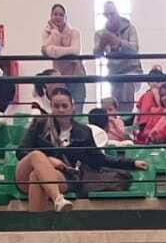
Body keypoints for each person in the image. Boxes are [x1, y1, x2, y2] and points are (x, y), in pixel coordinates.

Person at [16, 87, 150, 212]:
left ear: (72, 107)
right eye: (56, 106)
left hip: (62, 174)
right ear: (51, 107)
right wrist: (49, 160)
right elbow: (21, 152)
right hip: (26, 172)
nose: (61, 110)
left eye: (64, 106)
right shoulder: (39, 124)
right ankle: (58, 199)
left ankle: (36, 227)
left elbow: (100, 159)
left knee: (37, 177)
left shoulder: (83, 132)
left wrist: (132, 163)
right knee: (36, 155)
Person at [94, 1, 144, 117]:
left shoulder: (130, 28)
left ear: (117, 13)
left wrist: (119, 42)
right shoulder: (100, 34)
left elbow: (134, 48)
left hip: (132, 70)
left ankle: (126, 118)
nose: (110, 17)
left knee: (126, 87)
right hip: (114, 73)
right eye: (107, 14)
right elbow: (96, 54)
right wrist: (102, 44)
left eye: (113, 14)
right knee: (115, 99)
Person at [41, 3, 87, 111]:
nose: (58, 17)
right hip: (59, 78)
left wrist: (55, 51)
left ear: (65, 17)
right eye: (55, 14)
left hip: (77, 76)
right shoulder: (47, 34)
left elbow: (75, 51)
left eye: (61, 15)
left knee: (78, 111)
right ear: (51, 16)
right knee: (61, 110)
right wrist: (55, 33)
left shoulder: (74, 33)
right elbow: (51, 52)